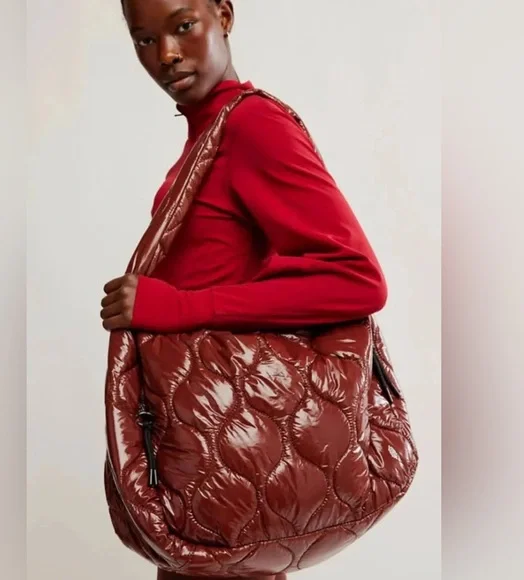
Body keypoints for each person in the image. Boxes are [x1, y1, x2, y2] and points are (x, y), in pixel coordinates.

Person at [100, 1, 388, 579]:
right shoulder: (209, 136)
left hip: (238, 440)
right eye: (144, 40)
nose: (166, 54)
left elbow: (357, 278)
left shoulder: (254, 126)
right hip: (212, 443)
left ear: (224, 15)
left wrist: (179, 307)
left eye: (183, 26)